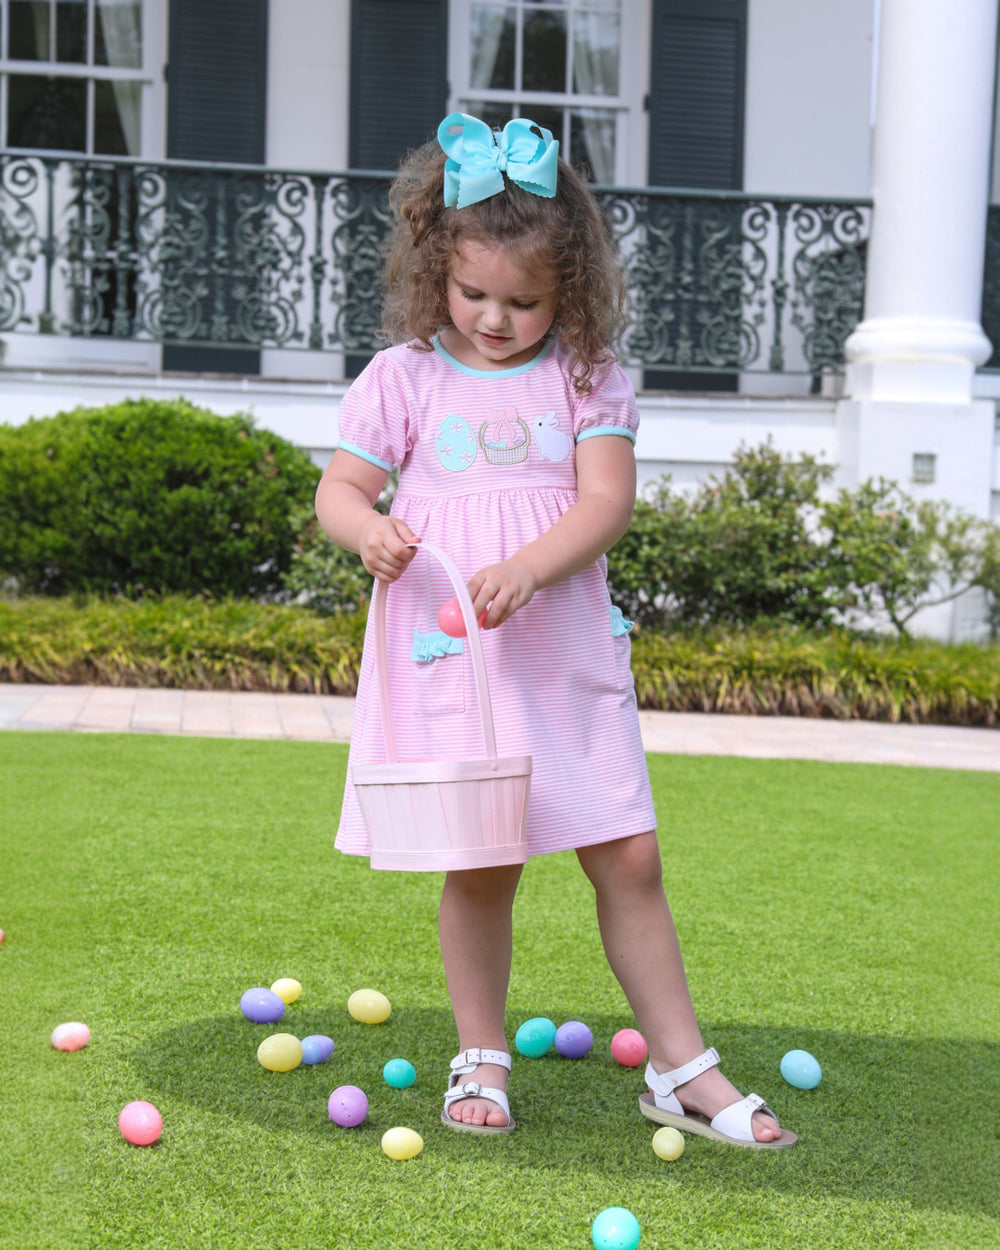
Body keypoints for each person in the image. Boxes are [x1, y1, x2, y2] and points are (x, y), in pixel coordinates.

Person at [315, 113, 796, 1149]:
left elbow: (605, 502)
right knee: (483, 860)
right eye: (473, 293)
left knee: (628, 852)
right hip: (458, 658)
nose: (495, 319)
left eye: (524, 301)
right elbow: (340, 490)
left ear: (567, 288)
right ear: (435, 272)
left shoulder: (585, 375)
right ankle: (480, 1052)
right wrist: (369, 531)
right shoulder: (404, 376)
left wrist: (532, 566)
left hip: (562, 645)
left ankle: (681, 1066)